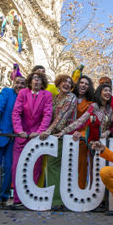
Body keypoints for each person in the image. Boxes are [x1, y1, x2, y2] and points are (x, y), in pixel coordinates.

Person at [11, 72, 53, 208]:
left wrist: (40, 132)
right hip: (22, 136)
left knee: (35, 168)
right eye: (34, 78)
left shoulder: (47, 95)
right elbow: (16, 112)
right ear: (30, 81)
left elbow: (47, 114)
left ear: (43, 82)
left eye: (39, 79)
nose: (37, 81)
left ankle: (30, 199)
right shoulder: (23, 93)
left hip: (36, 137)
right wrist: (19, 131)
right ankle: (17, 199)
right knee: (16, 167)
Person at [39, 74, 77, 211]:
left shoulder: (71, 98)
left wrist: (48, 131)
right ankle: (55, 198)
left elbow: (61, 118)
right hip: (52, 136)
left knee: (54, 166)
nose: (66, 84)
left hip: (64, 136)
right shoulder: (55, 98)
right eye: (64, 81)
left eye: (69, 82)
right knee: (50, 166)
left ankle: (57, 200)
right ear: (58, 83)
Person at [0, 76, 26, 206]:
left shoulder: (27, 96)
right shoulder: (6, 92)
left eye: (23, 84)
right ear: (13, 83)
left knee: (10, 167)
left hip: (15, 138)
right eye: (17, 83)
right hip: (1, 134)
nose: (19, 86)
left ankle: (3, 196)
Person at [71, 75, 95, 189]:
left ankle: (80, 189)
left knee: (81, 165)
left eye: (86, 83)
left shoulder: (91, 103)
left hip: (81, 137)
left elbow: (90, 122)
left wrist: (83, 134)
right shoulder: (69, 98)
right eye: (81, 82)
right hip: (66, 135)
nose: (83, 85)